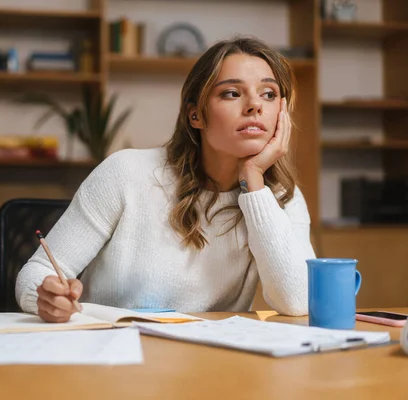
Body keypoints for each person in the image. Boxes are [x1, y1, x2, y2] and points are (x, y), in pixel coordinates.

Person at [16, 36, 316, 322]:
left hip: (213, 363)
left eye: (269, 94)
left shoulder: (280, 196)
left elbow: (298, 301)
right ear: (195, 115)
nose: (255, 106)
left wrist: (253, 182)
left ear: (282, 113)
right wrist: (45, 298)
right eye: (232, 93)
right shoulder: (126, 173)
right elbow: (38, 271)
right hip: (116, 358)